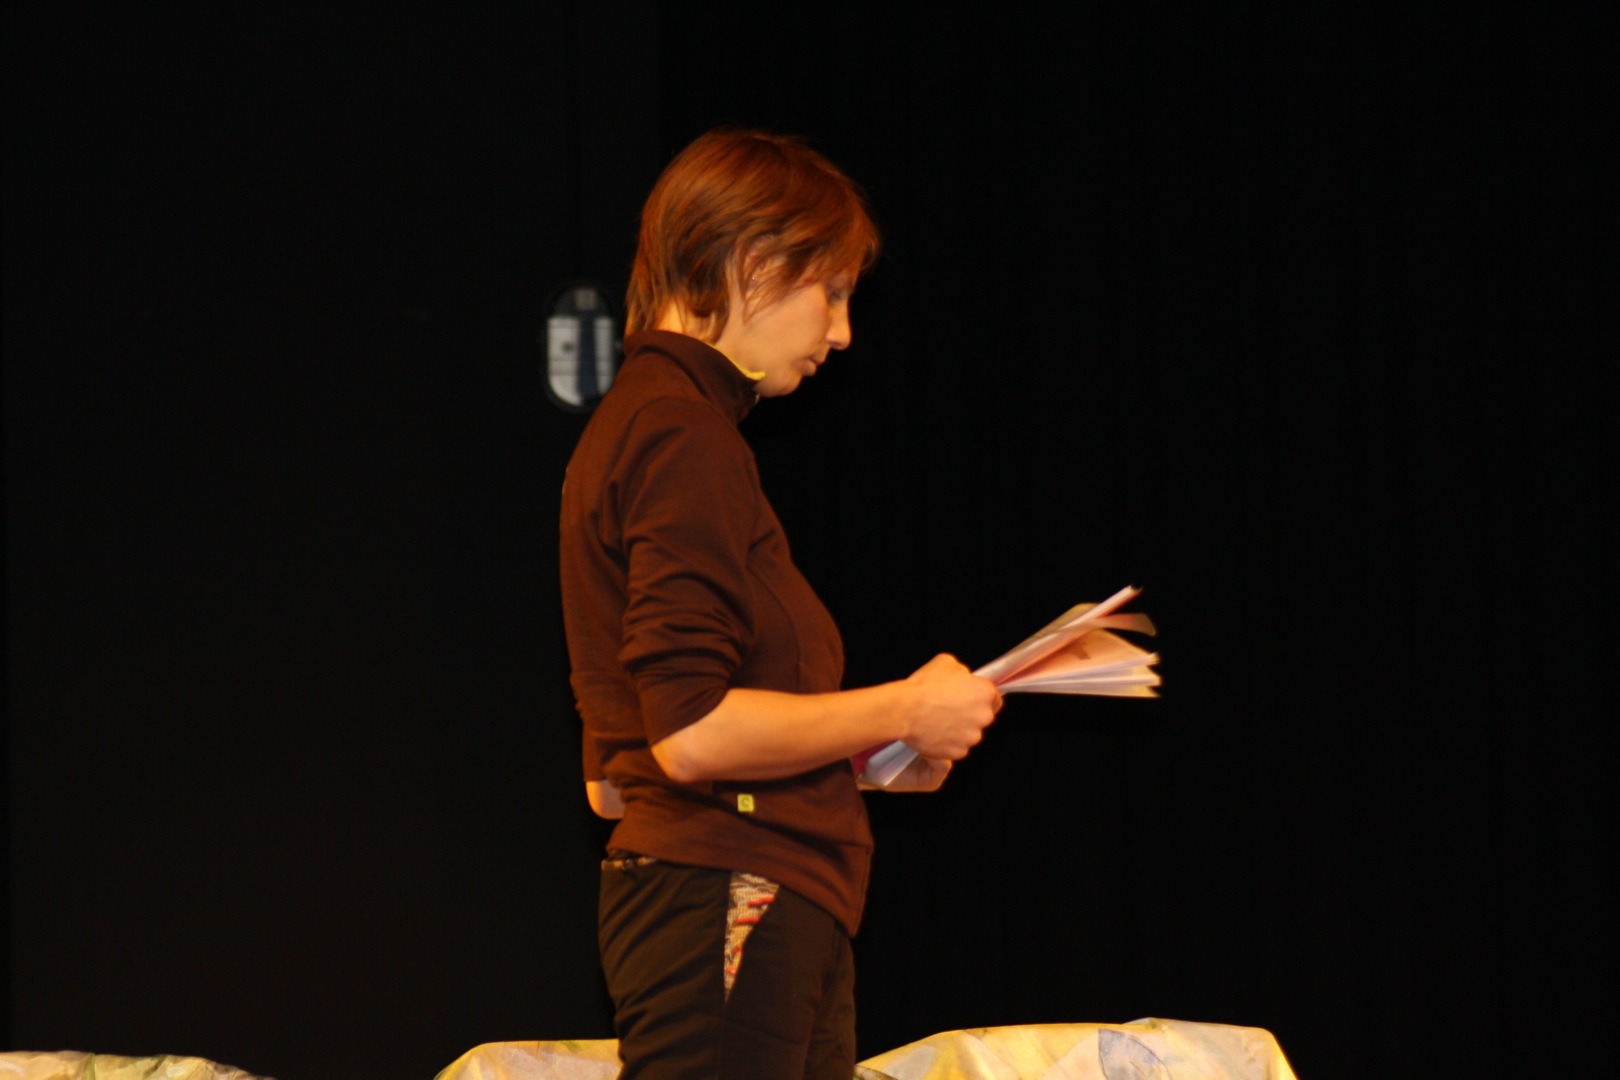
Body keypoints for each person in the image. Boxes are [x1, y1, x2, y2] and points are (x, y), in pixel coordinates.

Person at [559, 128, 1001, 1080]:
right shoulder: (679, 431)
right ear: (754, 262)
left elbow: (616, 775)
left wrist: (858, 758)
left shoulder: (651, 423)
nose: (842, 332)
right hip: (729, 888)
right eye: (830, 292)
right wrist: (902, 709)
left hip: (737, 890)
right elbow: (689, 736)